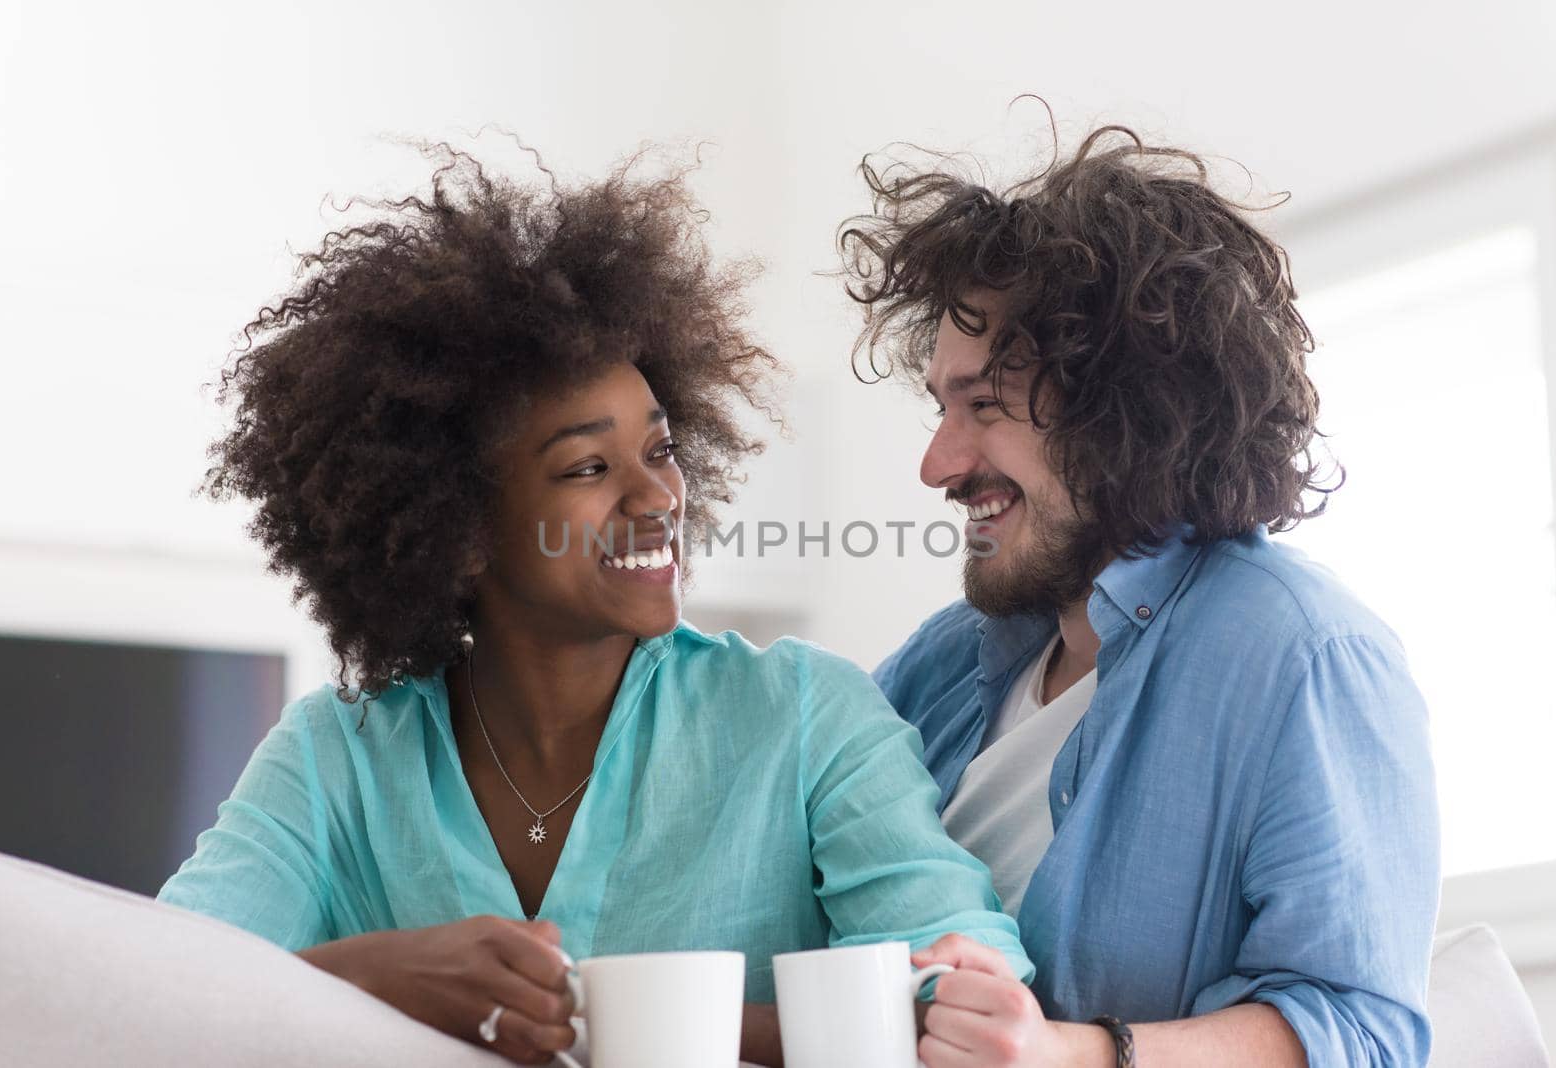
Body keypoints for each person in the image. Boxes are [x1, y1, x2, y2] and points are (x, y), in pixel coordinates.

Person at [159, 144, 1032, 1067]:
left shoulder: (803, 719)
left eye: (660, 451)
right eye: (588, 467)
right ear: (457, 528)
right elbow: (154, 990)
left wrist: (615, 1018)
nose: (657, 499)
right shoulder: (338, 762)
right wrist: (382, 979)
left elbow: (964, 988)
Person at [838, 125, 1440, 1067]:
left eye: (984, 409)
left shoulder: (1304, 656)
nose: (937, 464)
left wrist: (1069, 1054)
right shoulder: (942, 664)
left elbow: (1361, 1031)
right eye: (940, 408)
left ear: (1129, 413)